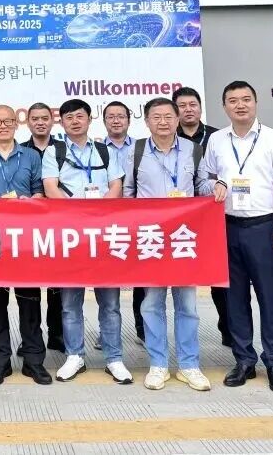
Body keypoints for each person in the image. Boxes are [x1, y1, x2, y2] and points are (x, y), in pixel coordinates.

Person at [203, 80, 273, 394]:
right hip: (227, 227)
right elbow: (209, 176)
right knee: (234, 299)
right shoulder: (216, 139)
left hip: (265, 227)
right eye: (233, 100)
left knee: (270, 297)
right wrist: (215, 185)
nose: (240, 105)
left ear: (255, 103)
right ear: (224, 106)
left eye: (246, 99)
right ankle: (244, 359)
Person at [125, 98, 214, 392]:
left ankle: (189, 365)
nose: (163, 122)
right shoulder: (136, 151)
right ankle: (158, 364)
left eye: (168, 116)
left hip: (183, 237)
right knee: (152, 303)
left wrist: (218, 186)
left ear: (177, 120)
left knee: (187, 304)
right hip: (150, 237)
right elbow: (128, 194)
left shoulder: (193, 150)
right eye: (156, 117)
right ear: (147, 121)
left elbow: (201, 186)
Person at [42, 99, 131, 384]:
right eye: (68, 117)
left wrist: (98, 213)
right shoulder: (54, 151)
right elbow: (50, 187)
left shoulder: (105, 150)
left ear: (89, 119)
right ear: (62, 122)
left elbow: (116, 185)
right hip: (71, 235)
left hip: (103, 233)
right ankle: (75, 356)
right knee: (70, 302)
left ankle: (114, 358)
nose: (74, 121)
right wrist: (77, 216)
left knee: (110, 302)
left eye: (79, 116)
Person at [0, 105, 52, 386]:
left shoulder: (31, 156)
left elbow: (40, 192)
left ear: (17, 124)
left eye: (8, 121)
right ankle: (0, 362)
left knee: (30, 303)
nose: (3, 126)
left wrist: (34, 200)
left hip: (25, 240)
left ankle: (34, 361)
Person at [174, 86, 230, 347]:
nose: (188, 109)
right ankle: (142, 330)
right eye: (182, 105)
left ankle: (229, 328)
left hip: (213, 217)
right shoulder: (165, 136)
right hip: (175, 220)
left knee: (219, 275)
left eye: (192, 104)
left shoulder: (218, 137)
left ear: (200, 107)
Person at [19, 102, 64, 352]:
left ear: (52, 120)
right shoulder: (20, 151)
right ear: (27, 122)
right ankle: (30, 339)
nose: (40, 123)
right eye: (34, 118)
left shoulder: (63, 149)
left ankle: (57, 334)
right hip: (28, 228)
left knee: (58, 284)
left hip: (59, 226)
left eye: (44, 118)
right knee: (29, 286)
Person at [102, 101, 145, 347]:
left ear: (129, 119)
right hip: (106, 221)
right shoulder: (97, 149)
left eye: (121, 116)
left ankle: (142, 329)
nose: (116, 120)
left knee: (142, 277)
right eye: (111, 116)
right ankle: (107, 333)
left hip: (136, 220)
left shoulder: (142, 147)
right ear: (104, 121)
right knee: (107, 279)